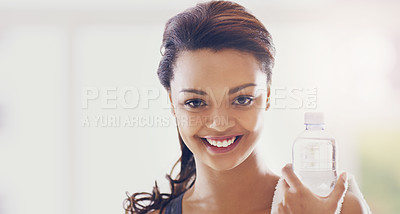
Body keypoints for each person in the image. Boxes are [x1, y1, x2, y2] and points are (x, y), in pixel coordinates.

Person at [124, 1, 365, 213]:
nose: (219, 123)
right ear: (172, 104)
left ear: (268, 95)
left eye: (241, 99)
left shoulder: (336, 209)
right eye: (195, 102)